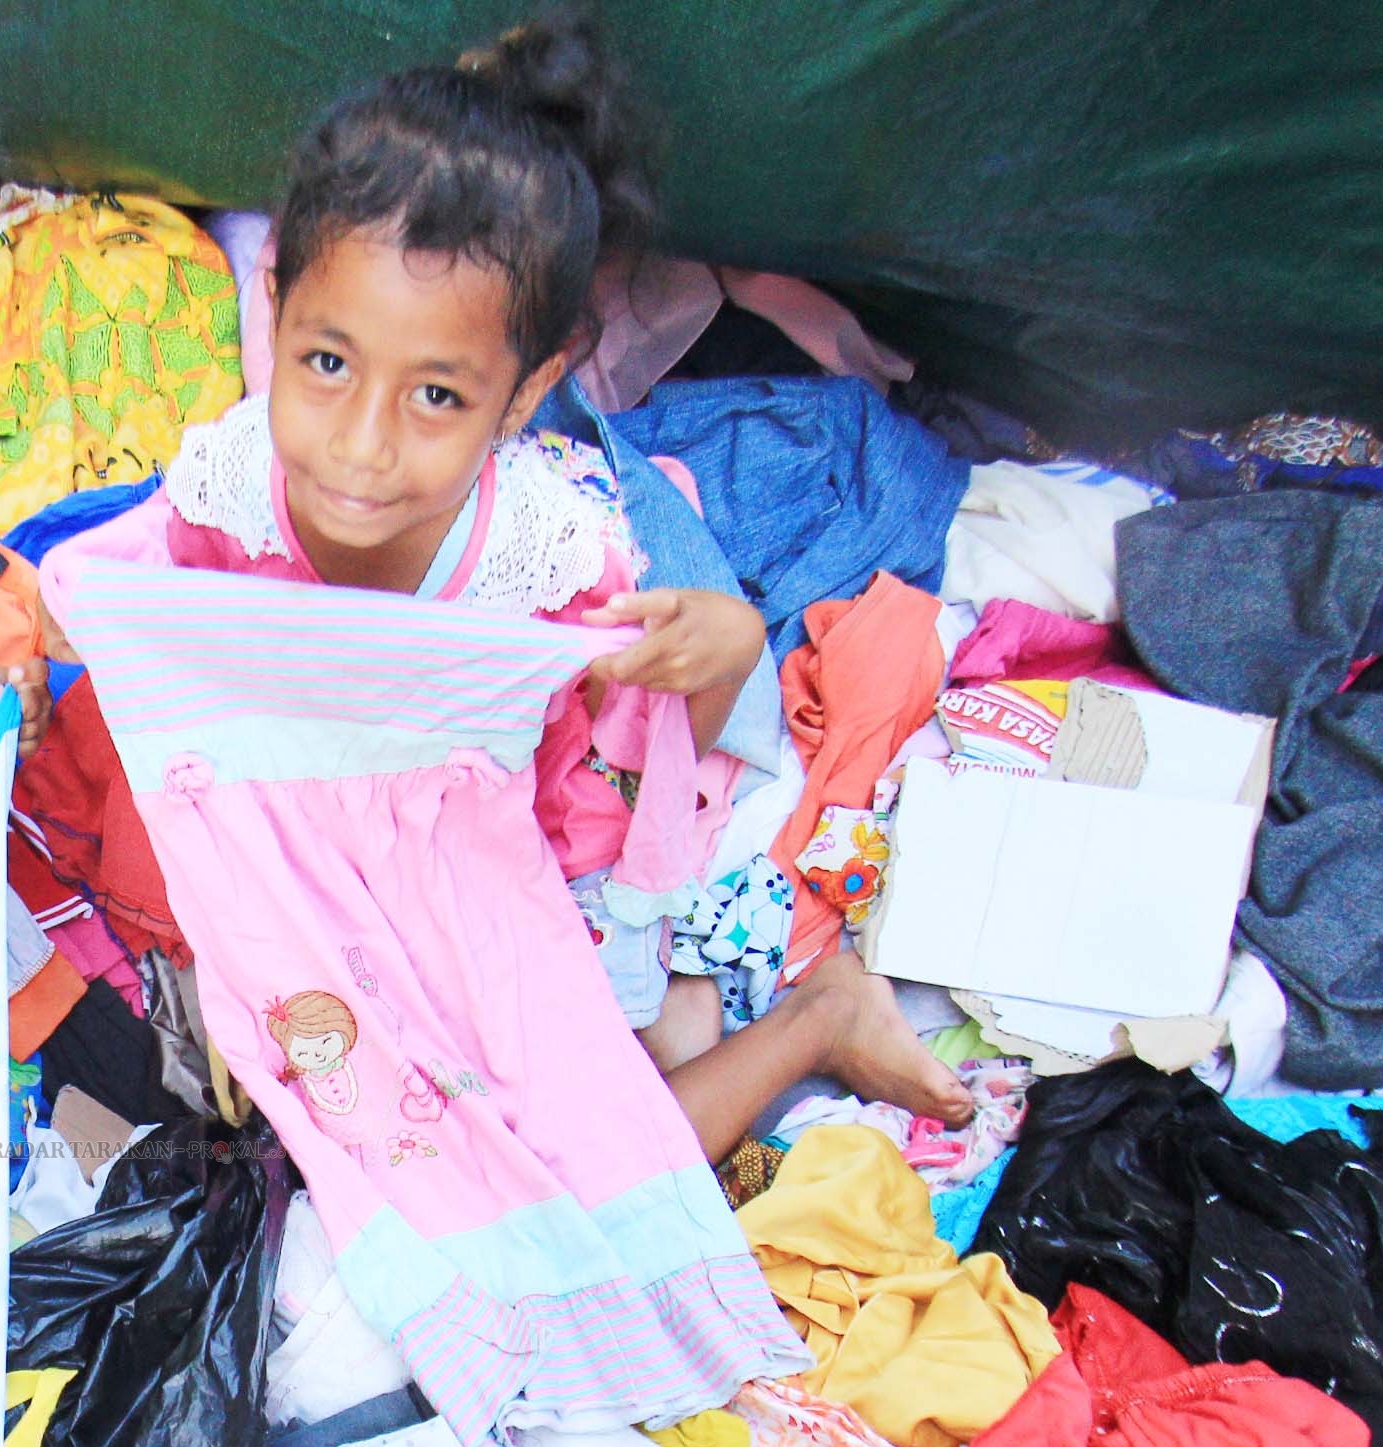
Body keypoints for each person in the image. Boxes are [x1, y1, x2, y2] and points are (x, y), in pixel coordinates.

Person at [49, 11, 971, 1156]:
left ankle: (817, 1018)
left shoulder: (561, 571)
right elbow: (124, 587)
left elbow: (620, 788)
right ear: (274, 309)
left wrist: (729, 651)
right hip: (327, 844)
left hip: (504, 859)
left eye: (436, 396)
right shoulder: (231, 484)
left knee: (552, 1165)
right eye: (329, 365)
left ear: (525, 396)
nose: (364, 446)